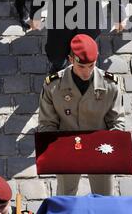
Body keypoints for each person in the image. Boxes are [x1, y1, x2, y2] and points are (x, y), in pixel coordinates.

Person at [38, 33, 125, 196]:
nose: (87, 72)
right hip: (67, 150)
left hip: (100, 150)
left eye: (91, 66)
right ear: (71, 60)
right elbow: (46, 124)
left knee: (104, 197)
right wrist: (56, 150)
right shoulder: (53, 87)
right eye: (81, 67)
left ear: (97, 58)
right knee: (66, 197)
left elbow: (117, 121)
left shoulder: (110, 85)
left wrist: (110, 146)